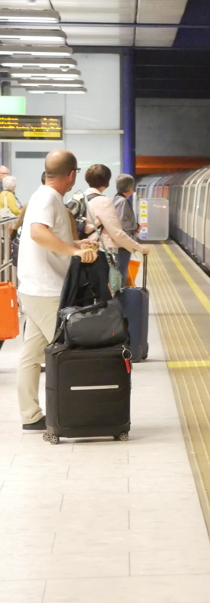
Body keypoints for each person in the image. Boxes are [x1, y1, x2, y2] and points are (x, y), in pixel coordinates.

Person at [17, 150, 97, 431]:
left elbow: (50, 237)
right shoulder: (48, 198)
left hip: (35, 286)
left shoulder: (44, 196)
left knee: (32, 352)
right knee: (68, 350)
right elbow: (38, 232)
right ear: (72, 174)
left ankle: (31, 415)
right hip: (45, 289)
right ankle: (72, 412)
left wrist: (76, 247)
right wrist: (73, 253)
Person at [82, 165, 149, 282]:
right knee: (108, 284)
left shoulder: (80, 198)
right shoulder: (103, 201)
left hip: (83, 249)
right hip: (99, 251)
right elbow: (117, 232)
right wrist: (140, 248)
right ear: (107, 181)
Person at [112, 174, 140, 280]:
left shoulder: (116, 199)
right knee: (121, 271)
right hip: (122, 244)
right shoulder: (122, 201)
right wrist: (135, 226)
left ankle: (118, 292)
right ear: (129, 188)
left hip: (120, 243)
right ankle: (119, 294)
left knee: (120, 269)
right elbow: (120, 222)